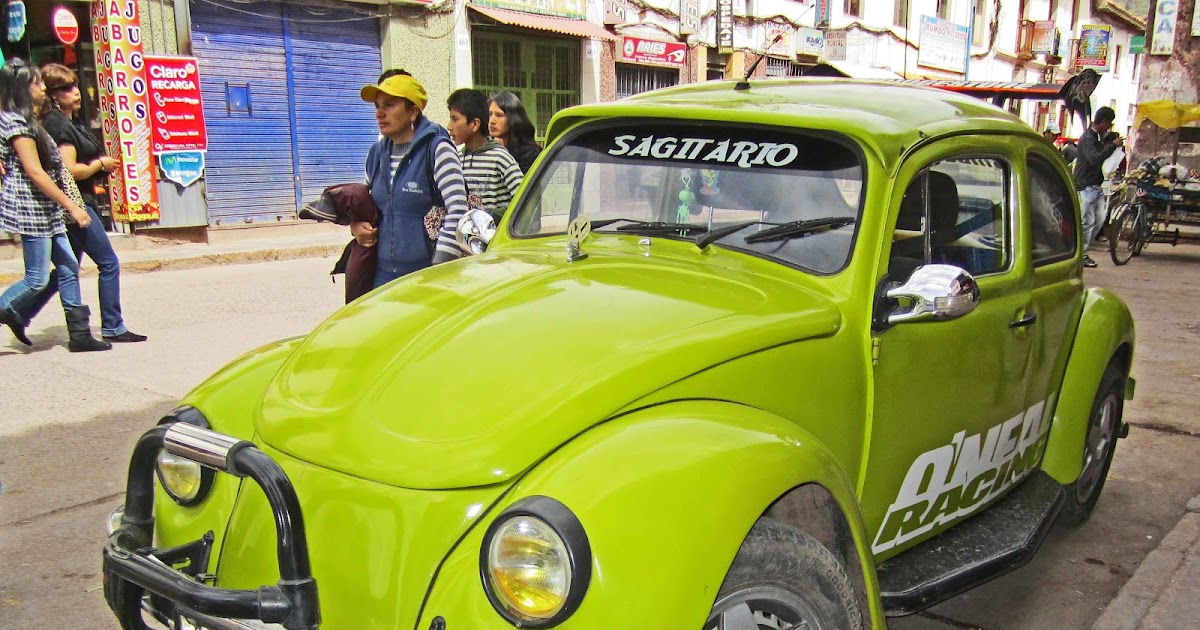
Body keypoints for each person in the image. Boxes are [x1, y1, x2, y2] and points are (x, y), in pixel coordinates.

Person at [16, 63, 146, 343]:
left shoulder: (70, 121)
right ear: (51, 94)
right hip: (75, 204)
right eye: (66, 88)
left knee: (65, 269)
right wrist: (99, 164)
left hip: (78, 201)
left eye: (75, 85)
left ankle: (18, 313)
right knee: (108, 262)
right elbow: (69, 170)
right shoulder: (57, 125)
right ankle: (113, 325)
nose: (75, 92)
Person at [0, 58, 109, 351]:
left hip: (46, 208)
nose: (42, 88)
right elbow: (35, 172)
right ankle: (8, 309)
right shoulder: (16, 123)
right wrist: (71, 206)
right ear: (23, 88)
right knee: (36, 279)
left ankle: (80, 334)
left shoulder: (30, 120)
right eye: (37, 83)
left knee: (68, 266)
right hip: (33, 206)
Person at [356, 71, 469, 288]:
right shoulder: (375, 155)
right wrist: (356, 226)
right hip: (381, 275)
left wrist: (439, 268)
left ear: (413, 112)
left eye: (389, 105)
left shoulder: (438, 151)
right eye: (377, 106)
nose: (380, 113)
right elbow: (367, 207)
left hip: (427, 274)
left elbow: (458, 211)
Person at [446, 88, 522, 223]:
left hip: (495, 240)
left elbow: (525, 199)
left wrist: (493, 215)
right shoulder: (456, 159)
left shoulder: (500, 157)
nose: (449, 126)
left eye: (455, 119)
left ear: (475, 124)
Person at [1073, 106, 1120, 268]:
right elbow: (1095, 158)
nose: (1109, 127)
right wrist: (1112, 146)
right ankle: (1081, 254)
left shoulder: (1099, 138)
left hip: (1096, 185)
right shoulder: (1088, 138)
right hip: (1085, 185)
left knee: (1099, 221)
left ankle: (1082, 250)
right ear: (1104, 121)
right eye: (1109, 123)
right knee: (1087, 222)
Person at [488, 91, 542, 175]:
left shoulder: (530, 153)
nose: (492, 121)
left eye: (499, 115)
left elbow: (520, 185)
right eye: (490, 114)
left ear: (513, 118)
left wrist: (502, 154)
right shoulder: (485, 148)